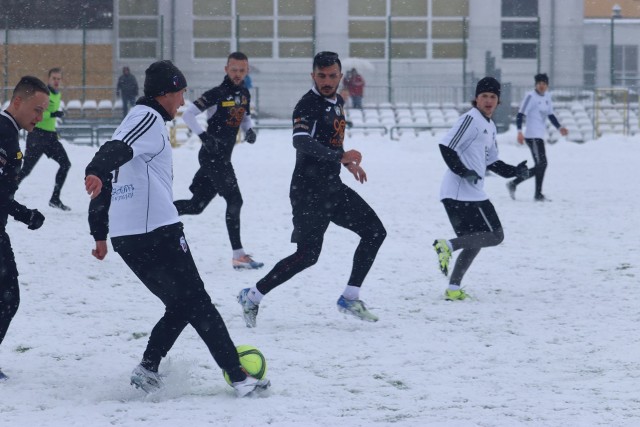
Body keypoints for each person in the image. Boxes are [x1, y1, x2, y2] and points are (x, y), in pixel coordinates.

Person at [84, 60, 269, 397]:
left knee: (181, 304)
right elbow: (113, 156)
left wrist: (99, 231)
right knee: (197, 301)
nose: (182, 102)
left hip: (129, 237)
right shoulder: (148, 118)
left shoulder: (132, 121)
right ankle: (239, 376)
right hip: (157, 232)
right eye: (180, 94)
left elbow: (113, 171)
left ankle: (148, 368)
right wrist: (95, 167)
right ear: (165, 92)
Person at [237, 51, 386, 327]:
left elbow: (330, 142)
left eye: (332, 76)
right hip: (307, 192)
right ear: (313, 76)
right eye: (321, 76)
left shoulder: (338, 101)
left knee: (375, 232)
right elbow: (301, 141)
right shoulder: (307, 104)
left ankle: (350, 297)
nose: (327, 81)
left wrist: (346, 162)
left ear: (340, 76)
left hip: (332, 187)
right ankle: (252, 295)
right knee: (307, 256)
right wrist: (339, 156)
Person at [432, 77, 529, 301]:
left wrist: (516, 171)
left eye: (492, 97)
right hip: (458, 191)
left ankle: (454, 289)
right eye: (484, 96)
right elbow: (446, 146)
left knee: (476, 240)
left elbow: (492, 162)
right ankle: (447, 245)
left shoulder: (490, 126)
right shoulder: (470, 119)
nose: (488, 100)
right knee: (495, 235)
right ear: (476, 99)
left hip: (470, 191)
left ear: (498, 101)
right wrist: (462, 170)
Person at [175, 52, 263, 271]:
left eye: (242, 70)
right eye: (233, 69)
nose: (237, 74)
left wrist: (249, 130)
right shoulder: (216, 93)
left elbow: (244, 116)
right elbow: (188, 115)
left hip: (222, 158)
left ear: (247, 71)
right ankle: (239, 256)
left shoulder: (244, 93)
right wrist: (205, 138)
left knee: (196, 206)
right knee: (235, 200)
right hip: (213, 158)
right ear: (226, 69)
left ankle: (153, 216)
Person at [0, 76, 48, 381]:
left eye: (44, 111)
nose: (40, 117)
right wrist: (24, 214)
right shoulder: (2, 131)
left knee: (7, 297)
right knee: (8, 297)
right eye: (36, 109)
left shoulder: (10, 132)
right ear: (18, 101)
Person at [507, 73, 568, 202]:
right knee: (542, 164)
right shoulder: (530, 97)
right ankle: (530, 191)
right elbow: (520, 114)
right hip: (531, 136)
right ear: (536, 84)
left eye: (544, 84)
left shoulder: (547, 97)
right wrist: (519, 131)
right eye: (539, 83)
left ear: (547, 86)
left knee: (541, 165)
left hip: (540, 136)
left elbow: (550, 115)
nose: (542, 86)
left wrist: (559, 127)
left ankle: (521, 187)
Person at [17, 67, 71, 211]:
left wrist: (54, 122)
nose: (56, 81)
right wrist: (53, 114)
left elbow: (50, 115)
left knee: (65, 164)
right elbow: (37, 113)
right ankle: (5, 195)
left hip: (50, 137)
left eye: (59, 79)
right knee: (26, 169)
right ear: (48, 79)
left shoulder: (57, 94)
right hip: (37, 135)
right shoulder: (43, 94)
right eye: (54, 78)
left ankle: (55, 198)